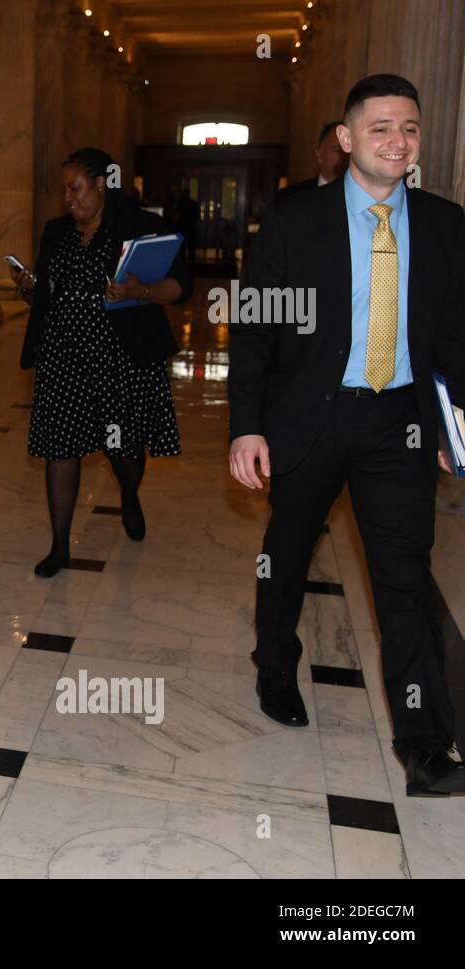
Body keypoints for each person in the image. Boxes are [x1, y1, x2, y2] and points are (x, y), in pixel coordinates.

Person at [229, 74, 465, 797]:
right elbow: (254, 334)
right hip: (312, 417)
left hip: (398, 423)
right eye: (382, 128)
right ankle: (274, 667)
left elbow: (455, 335)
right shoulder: (296, 221)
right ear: (346, 138)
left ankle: (423, 744)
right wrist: (247, 428)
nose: (399, 142)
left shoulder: (446, 224)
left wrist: (451, 421)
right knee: (288, 553)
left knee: (403, 578)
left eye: (411, 129)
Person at [15, 147, 190, 577]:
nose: (67, 199)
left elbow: (179, 288)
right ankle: (59, 546)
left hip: (120, 359)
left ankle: (129, 494)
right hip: (63, 358)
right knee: (61, 448)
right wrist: (29, 289)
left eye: (75, 189)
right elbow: (47, 294)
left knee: (123, 448)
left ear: (100, 184)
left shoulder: (140, 227)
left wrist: (137, 292)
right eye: (63, 191)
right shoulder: (56, 233)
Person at [276, 120, 349, 201]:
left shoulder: (361, 196)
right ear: (319, 154)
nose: (344, 156)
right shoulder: (291, 196)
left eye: (349, 151)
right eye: (337, 149)